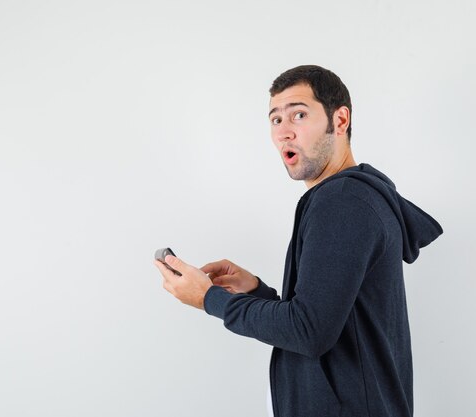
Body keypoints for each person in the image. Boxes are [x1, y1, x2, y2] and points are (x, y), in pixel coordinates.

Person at [154, 65, 443, 417]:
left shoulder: (343, 201)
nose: (284, 133)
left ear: (339, 121)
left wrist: (209, 298)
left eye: (299, 115)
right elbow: (324, 322)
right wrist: (257, 291)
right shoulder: (352, 198)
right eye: (275, 120)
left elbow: (309, 332)